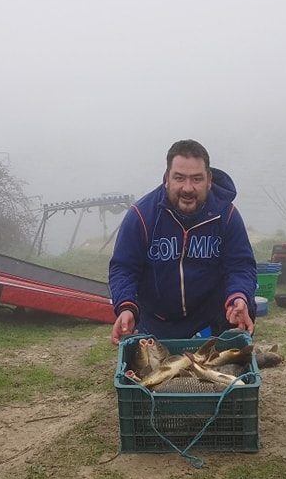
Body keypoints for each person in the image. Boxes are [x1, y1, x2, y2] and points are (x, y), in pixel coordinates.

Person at [109, 139, 257, 344]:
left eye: (197, 179)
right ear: (166, 178)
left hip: (210, 316)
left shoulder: (227, 215)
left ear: (209, 180)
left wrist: (239, 297)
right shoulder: (141, 215)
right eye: (179, 178)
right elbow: (123, 268)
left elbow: (240, 266)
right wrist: (125, 307)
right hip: (157, 320)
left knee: (242, 304)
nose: (188, 188)